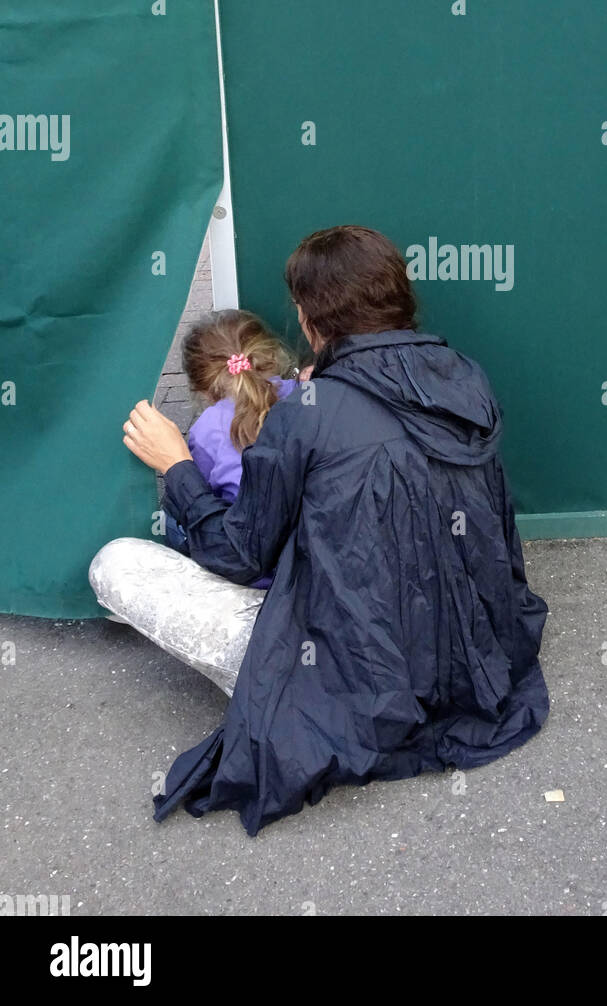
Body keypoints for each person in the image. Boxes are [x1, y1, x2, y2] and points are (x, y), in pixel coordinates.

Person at [89, 225, 550, 837]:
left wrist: (177, 465)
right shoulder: (466, 376)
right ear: (400, 298)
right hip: (477, 654)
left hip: (349, 682)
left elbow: (236, 551)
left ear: (308, 321)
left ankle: (292, 693)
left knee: (116, 562)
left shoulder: (306, 415)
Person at [163, 309, 300, 589]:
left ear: (200, 388)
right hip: (299, 561)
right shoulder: (302, 392)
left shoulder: (206, 428)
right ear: (273, 356)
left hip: (247, 565)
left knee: (170, 513)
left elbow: (201, 498)